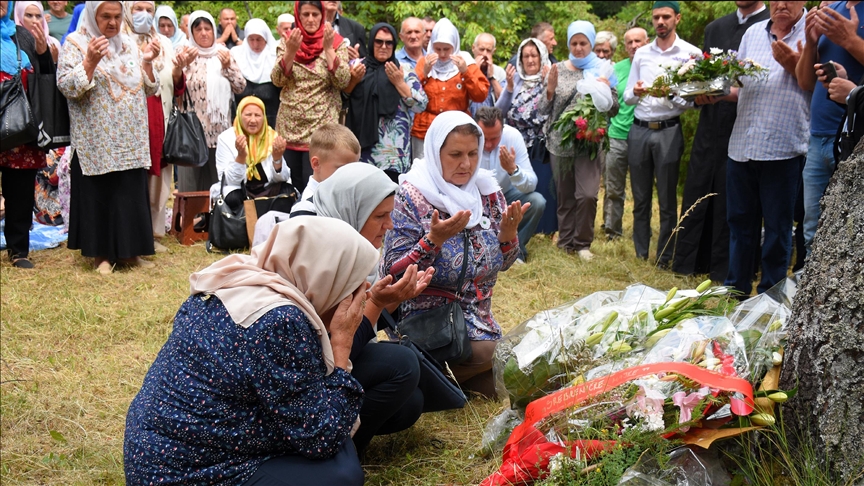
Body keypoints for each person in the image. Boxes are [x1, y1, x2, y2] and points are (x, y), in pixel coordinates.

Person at [124, 217, 375, 486]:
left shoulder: (241, 278)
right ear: (327, 280)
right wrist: (341, 346)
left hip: (160, 451)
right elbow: (321, 438)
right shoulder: (280, 321)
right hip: (184, 470)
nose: (362, 296)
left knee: (390, 372)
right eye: (354, 287)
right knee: (342, 477)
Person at [382, 111, 526, 398]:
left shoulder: (487, 192)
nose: (466, 164)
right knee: (500, 355)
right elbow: (393, 273)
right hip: (430, 323)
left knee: (504, 385)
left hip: (479, 321)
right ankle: (418, 369)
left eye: (473, 153)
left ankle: (439, 381)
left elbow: (505, 264)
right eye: (455, 154)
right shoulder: (412, 196)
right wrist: (433, 240)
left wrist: (508, 238)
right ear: (436, 153)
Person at [313, 163, 434, 457]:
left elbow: (357, 328)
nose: (390, 225)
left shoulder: (351, 250)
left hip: (331, 365)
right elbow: (337, 351)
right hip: (311, 378)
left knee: (411, 402)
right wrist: (378, 303)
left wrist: (392, 297)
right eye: (380, 216)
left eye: (390, 214)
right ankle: (336, 451)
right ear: (351, 210)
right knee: (402, 365)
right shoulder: (323, 258)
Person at [58, 1, 160, 274]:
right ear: (93, 15)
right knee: (101, 193)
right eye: (106, 17)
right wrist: (90, 61)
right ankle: (101, 255)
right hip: (97, 138)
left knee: (128, 192)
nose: (113, 23)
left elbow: (149, 88)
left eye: (117, 16)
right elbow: (66, 86)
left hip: (129, 138)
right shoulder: (76, 43)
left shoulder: (127, 43)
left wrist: (148, 61)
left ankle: (130, 252)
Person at [671, 1, 769, 280]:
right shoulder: (716, 28)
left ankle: (727, 267)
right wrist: (697, 92)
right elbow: (703, 74)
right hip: (710, 122)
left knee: (734, 196)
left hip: (746, 123)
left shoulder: (769, 26)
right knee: (700, 185)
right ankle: (691, 262)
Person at [724, 1, 810, 296]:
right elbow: (740, 86)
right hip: (743, 142)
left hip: (784, 146)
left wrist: (794, 62)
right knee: (739, 224)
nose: (782, 4)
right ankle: (735, 290)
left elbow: (818, 85)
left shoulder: (813, 32)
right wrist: (716, 92)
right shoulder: (752, 33)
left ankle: (770, 296)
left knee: (777, 228)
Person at [624, 0, 702, 267]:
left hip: (668, 128)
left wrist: (670, 93)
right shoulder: (642, 53)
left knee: (668, 199)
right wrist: (635, 92)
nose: (660, 22)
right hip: (640, 128)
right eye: (656, 17)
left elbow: (694, 101)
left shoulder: (690, 54)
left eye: (666, 17)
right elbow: (627, 97)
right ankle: (640, 253)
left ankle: (665, 256)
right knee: (640, 197)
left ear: (677, 19)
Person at [541, 20, 619, 261]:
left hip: (589, 142)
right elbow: (543, 109)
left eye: (583, 43)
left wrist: (605, 90)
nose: (578, 48)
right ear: (568, 44)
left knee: (587, 194)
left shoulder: (604, 69)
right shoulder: (557, 69)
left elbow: (614, 109)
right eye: (573, 43)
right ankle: (565, 242)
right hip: (560, 143)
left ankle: (582, 243)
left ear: (591, 43)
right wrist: (550, 90)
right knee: (565, 196)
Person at [123, 0, 193, 253]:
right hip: (130, 121)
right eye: (137, 9)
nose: (144, 15)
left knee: (160, 176)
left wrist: (179, 70)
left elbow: (174, 85)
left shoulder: (163, 43)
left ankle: (154, 232)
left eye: (149, 10)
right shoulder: (120, 40)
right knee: (135, 177)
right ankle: (133, 233)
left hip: (159, 118)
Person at [796, 1, 864, 259]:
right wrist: (811, 42)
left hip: (854, 141)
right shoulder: (832, 10)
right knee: (812, 228)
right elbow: (804, 81)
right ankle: (812, 297)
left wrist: (849, 40)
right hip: (817, 138)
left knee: (849, 231)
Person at [271, 0, 350, 195]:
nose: (311, 19)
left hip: (321, 129)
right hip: (290, 127)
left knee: (318, 187)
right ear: (298, 16)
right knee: (292, 187)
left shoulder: (336, 41)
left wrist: (329, 49)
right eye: (305, 14)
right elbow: (277, 80)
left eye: (315, 14)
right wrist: (290, 52)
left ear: (322, 15)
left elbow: (343, 81)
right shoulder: (287, 40)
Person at [0, 0, 53, 269]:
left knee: (19, 190)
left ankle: (18, 249)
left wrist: (43, 53)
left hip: (18, 125)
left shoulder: (20, 35)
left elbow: (44, 77)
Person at [345, 22, 428, 182]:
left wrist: (399, 83)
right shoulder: (356, 66)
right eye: (379, 41)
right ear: (371, 43)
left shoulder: (403, 70)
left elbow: (421, 105)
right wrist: (354, 81)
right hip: (360, 151)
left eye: (389, 42)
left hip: (394, 155)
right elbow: (341, 97)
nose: (384, 46)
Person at [177, 10, 246, 193]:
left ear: (214, 31)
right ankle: (190, 221)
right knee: (191, 189)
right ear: (191, 32)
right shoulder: (183, 53)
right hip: (191, 133)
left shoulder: (223, 53)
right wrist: (184, 65)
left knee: (218, 188)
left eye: (207, 28)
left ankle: (216, 222)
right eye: (198, 29)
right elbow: (175, 88)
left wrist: (227, 67)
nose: (204, 33)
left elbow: (240, 86)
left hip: (219, 132)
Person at [497, 37, 556, 236]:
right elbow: (499, 111)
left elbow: (548, 112)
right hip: (516, 145)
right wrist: (510, 88)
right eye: (526, 56)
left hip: (539, 146)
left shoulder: (549, 79)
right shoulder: (516, 81)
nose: (530, 60)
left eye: (534, 55)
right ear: (520, 60)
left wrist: (549, 87)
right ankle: (517, 228)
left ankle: (544, 230)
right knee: (517, 188)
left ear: (542, 57)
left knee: (541, 188)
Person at [411, 18, 489, 159]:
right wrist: (425, 72)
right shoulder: (425, 62)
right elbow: (410, 94)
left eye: (446, 49)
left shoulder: (465, 63)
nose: (442, 54)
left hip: (457, 130)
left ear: (455, 46)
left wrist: (465, 72)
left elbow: (481, 94)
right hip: (425, 130)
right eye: (438, 49)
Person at [475, 107, 545, 262]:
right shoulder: (468, 136)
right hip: (473, 198)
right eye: (484, 138)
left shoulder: (512, 136)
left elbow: (532, 184)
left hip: (504, 194)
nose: (488, 145)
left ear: (502, 130)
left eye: (494, 139)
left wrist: (513, 170)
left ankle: (515, 251)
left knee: (537, 201)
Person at [602, 27, 650, 241]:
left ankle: (642, 231)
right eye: (629, 42)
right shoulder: (617, 69)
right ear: (624, 46)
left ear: (647, 41)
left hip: (645, 133)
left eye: (638, 41)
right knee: (614, 188)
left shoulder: (653, 65)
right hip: (617, 134)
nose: (634, 46)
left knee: (643, 189)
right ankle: (612, 230)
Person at [213, 96, 290, 209]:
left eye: (258, 115)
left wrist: (277, 159)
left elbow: (283, 178)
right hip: (240, 189)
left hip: (266, 188)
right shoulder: (225, 138)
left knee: (288, 191)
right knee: (234, 198)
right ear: (239, 116)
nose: (253, 120)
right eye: (248, 115)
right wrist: (241, 157)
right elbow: (228, 181)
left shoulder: (272, 136)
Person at [289, 123, 361, 217]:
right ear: (316, 164)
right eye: (341, 169)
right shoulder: (306, 210)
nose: (349, 175)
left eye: (353, 169)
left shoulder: (346, 195)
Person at [231, 18, 280, 128]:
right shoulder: (237, 56)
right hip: (242, 124)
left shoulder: (274, 57)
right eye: (251, 39)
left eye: (259, 39)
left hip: (270, 123)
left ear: (266, 39)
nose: (255, 44)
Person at [469, 33, 508, 116]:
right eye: (481, 49)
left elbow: (504, 101)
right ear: (473, 48)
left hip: (493, 122)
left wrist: (492, 77)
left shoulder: (499, 72)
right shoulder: (465, 69)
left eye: (488, 50)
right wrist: (474, 71)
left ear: (493, 51)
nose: (484, 54)